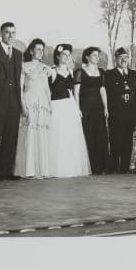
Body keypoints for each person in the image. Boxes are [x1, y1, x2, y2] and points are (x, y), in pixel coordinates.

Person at [0, 21, 23, 180]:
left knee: (11, 135)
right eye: (7, 32)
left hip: (14, 100)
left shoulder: (18, 54)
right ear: (0, 33)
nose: (10, 35)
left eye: (13, 32)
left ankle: (7, 170)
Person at [48, 43, 91, 178]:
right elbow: (48, 91)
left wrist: (77, 109)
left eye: (68, 55)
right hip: (56, 106)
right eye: (64, 54)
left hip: (69, 106)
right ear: (58, 56)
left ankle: (70, 168)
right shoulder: (52, 71)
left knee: (69, 137)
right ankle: (55, 168)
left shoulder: (71, 72)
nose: (66, 57)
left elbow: (73, 92)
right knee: (57, 137)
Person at [14, 38, 52, 178]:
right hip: (29, 101)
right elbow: (20, 86)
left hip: (42, 104)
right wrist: (23, 105)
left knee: (41, 134)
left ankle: (41, 170)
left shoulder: (45, 67)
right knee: (29, 133)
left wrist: (49, 103)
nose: (41, 52)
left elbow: (47, 88)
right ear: (31, 51)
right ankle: (28, 170)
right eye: (38, 49)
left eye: (42, 50)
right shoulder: (24, 66)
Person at [74, 47, 109, 174]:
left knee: (100, 135)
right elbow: (76, 92)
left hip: (98, 108)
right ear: (87, 57)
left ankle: (101, 166)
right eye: (94, 55)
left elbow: (102, 90)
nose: (97, 57)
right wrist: (78, 109)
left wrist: (106, 107)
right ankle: (91, 166)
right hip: (86, 107)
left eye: (98, 55)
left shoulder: (101, 72)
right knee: (88, 134)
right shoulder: (79, 72)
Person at [105, 47, 136, 173]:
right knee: (115, 139)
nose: (124, 60)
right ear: (116, 59)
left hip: (130, 112)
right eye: (121, 58)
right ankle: (113, 166)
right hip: (116, 112)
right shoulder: (109, 74)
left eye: (126, 58)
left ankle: (124, 167)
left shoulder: (134, 74)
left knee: (128, 140)